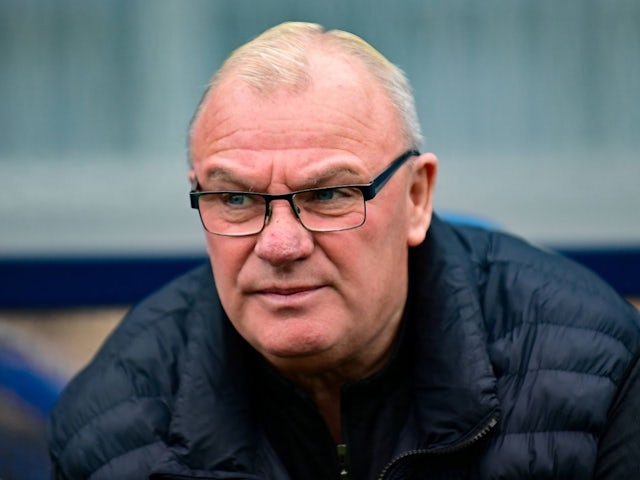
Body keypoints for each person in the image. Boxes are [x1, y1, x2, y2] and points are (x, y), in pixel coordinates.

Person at [48, 22, 640, 479]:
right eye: (235, 199)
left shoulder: (594, 372)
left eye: (330, 193)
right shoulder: (111, 423)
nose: (279, 244)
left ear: (415, 197)